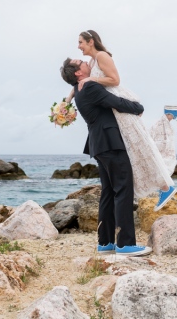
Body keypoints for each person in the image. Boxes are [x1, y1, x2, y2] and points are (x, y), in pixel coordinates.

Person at [67, 30, 177, 210]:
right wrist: (68, 98)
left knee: (140, 145)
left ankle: (166, 185)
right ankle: (164, 186)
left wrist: (90, 79)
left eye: (80, 42)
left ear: (91, 41)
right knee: (136, 148)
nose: (78, 46)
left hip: (117, 102)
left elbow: (115, 80)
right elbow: (79, 81)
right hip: (113, 108)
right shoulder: (93, 60)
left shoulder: (102, 56)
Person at [61, 58, 152, 257]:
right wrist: (138, 108)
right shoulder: (90, 87)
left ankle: (106, 242)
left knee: (109, 192)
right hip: (110, 142)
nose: (86, 62)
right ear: (78, 72)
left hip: (99, 145)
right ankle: (125, 244)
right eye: (81, 62)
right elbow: (116, 103)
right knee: (123, 189)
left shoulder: (79, 89)